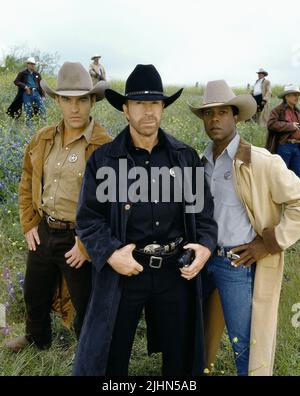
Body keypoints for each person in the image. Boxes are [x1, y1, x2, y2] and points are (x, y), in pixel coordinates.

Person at [72, 64, 218, 376]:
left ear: (163, 108)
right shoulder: (104, 159)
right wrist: (111, 254)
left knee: (181, 357)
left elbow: (204, 215)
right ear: (125, 109)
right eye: (139, 104)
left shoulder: (184, 157)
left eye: (154, 103)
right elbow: (88, 219)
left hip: (175, 270)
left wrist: (204, 246)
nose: (148, 111)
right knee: (111, 352)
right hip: (125, 267)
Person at [189, 79, 300, 376]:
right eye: (209, 113)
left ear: (235, 116)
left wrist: (270, 242)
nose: (215, 119)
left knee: (246, 346)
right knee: (198, 339)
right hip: (203, 261)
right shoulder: (201, 161)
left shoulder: (261, 161)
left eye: (222, 112)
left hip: (236, 263)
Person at [4, 62, 111, 352]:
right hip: (44, 228)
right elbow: (27, 181)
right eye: (67, 100)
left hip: (79, 236)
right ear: (57, 101)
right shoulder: (43, 138)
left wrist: (87, 243)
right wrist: (28, 224)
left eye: (81, 100)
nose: (74, 108)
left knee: (84, 299)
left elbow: (112, 204)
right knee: (34, 292)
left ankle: (87, 349)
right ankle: (35, 337)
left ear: (92, 102)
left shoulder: (104, 147)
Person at [266, 84, 300, 177]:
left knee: (297, 176)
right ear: (287, 96)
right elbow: (271, 124)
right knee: (282, 176)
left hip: (297, 147)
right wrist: (290, 126)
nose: (297, 97)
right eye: (294, 94)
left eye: (298, 95)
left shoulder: (297, 111)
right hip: (285, 146)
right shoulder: (278, 110)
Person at [7, 57, 46, 123]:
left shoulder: (37, 74)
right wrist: (25, 87)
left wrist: (43, 95)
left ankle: (43, 123)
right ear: (27, 64)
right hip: (27, 93)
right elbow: (16, 81)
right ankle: (29, 126)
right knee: (28, 109)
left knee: (42, 108)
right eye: (31, 64)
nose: (32, 65)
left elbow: (40, 85)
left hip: (36, 93)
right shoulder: (22, 73)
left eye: (34, 64)